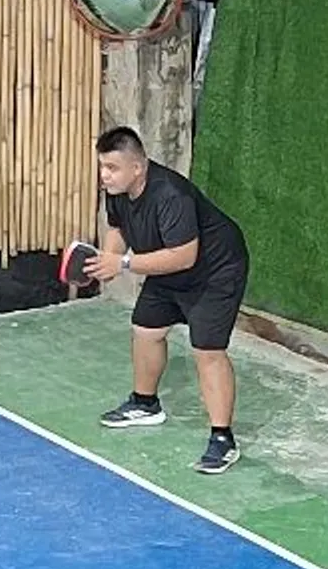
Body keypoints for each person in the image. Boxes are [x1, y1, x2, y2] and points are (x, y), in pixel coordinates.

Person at [83, 126, 249, 474]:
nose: (104, 175)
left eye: (111, 168)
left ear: (137, 168)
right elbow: (118, 228)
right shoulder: (117, 190)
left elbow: (184, 256)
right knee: (146, 329)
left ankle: (223, 439)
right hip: (168, 267)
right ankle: (145, 404)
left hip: (214, 272)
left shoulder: (172, 195)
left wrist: (123, 264)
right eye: (102, 166)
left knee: (207, 350)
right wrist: (107, 261)